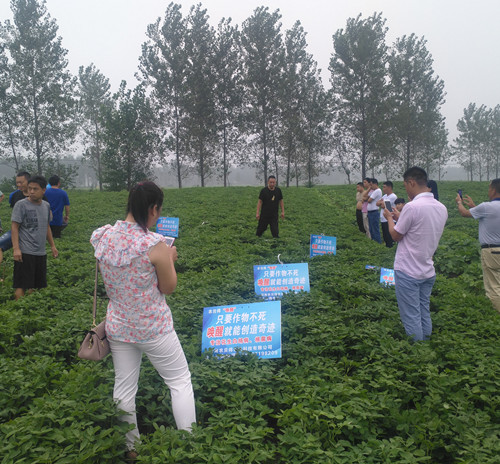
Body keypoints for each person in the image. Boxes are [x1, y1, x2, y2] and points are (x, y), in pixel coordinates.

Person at [90, 181, 196, 460]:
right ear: (152, 209)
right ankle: (190, 443)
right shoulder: (154, 245)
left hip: (119, 326)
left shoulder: (103, 237)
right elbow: (169, 287)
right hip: (153, 328)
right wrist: (170, 258)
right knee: (179, 381)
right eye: (158, 211)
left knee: (124, 388)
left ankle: (131, 449)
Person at [383, 166, 447, 341]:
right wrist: (399, 216)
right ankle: (426, 343)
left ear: (411, 182)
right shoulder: (441, 208)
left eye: (405, 186)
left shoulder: (412, 207)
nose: (406, 190)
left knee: (411, 315)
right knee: (423, 309)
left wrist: (390, 218)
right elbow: (418, 228)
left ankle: (418, 356)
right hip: (427, 270)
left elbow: (396, 235)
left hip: (408, 271)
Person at [456, 180, 500, 313]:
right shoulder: (486, 208)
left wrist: (459, 202)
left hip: (491, 251)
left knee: (494, 287)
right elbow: (489, 218)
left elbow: (464, 213)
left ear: (493, 190)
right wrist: (475, 207)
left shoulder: (487, 207)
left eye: (489, 189)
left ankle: (496, 316)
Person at [11, 175, 58, 300]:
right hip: (25, 251)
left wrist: (52, 246)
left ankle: (30, 310)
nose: (31, 192)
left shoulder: (46, 206)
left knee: (36, 285)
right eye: (30, 188)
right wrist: (16, 249)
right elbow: (14, 227)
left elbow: (47, 226)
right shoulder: (21, 205)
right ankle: (19, 312)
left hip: (40, 252)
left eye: (35, 189)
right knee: (21, 285)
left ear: (43, 190)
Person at [377, 181, 397, 248]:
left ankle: (391, 250)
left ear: (389, 187)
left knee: (389, 238)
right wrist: (382, 203)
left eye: (384, 187)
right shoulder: (385, 196)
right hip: (383, 219)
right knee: (385, 237)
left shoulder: (393, 196)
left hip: (389, 220)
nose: (383, 188)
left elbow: (384, 206)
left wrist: (382, 203)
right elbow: (377, 203)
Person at [366, 178, 382, 243]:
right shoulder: (373, 191)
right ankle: (373, 242)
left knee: (375, 229)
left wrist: (368, 198)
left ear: (375, 184)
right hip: (370, 212)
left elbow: (369, 200)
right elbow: (365, 196)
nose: (370, 186)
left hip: (374, 212)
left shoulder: (377, 191)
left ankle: (378, 243)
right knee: (371, 229)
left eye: (371, 185)